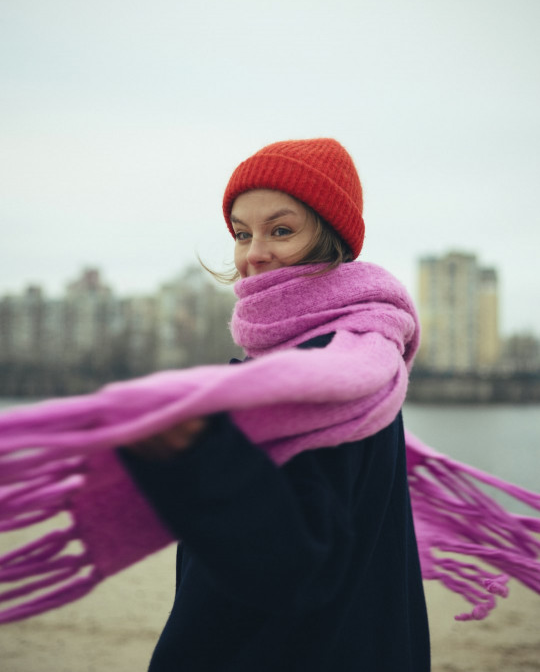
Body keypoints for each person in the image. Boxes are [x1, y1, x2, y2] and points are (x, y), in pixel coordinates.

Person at [119, 138, 431, 671]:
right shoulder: (359, 356)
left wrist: (194, 452)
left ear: (331, 239)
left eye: (280, 230)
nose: (253, 252)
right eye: (242, 233)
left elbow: (288, 567)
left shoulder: (328, 373)